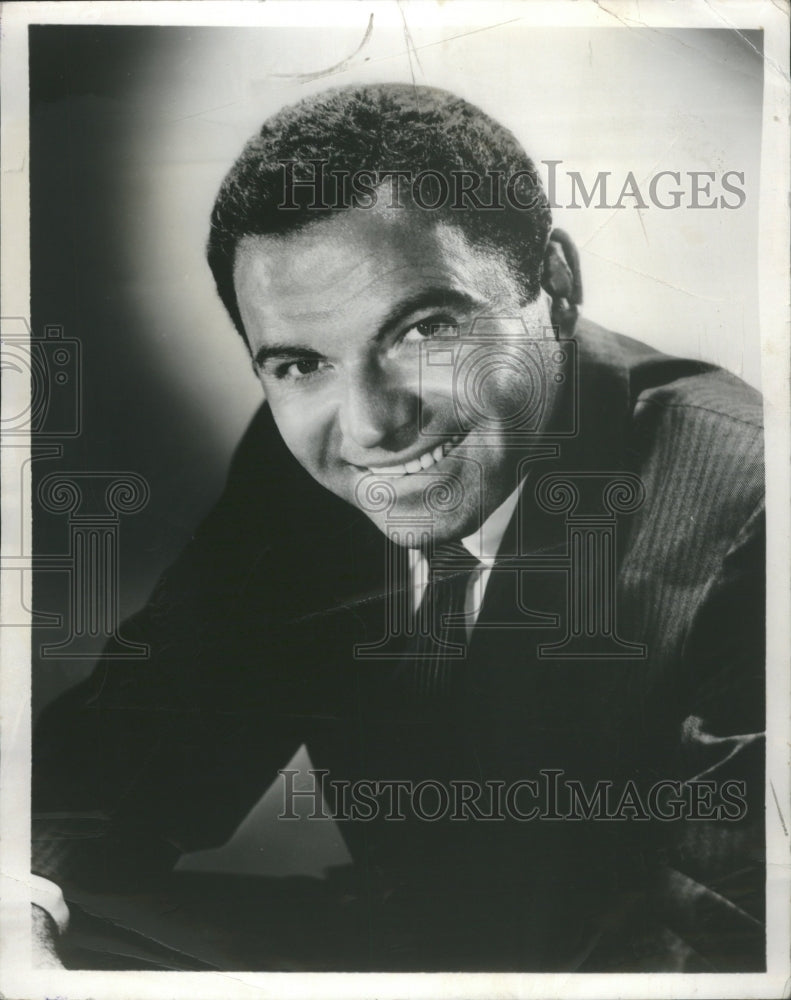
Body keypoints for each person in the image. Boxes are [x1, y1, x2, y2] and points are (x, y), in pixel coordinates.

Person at [32, 83, 765, 972]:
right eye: (301, 364)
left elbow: (722, 949)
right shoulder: (301, 466)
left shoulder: (754, 510)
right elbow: (125, 759)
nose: (372, 423)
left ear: (556, 287)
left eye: (422, 329)